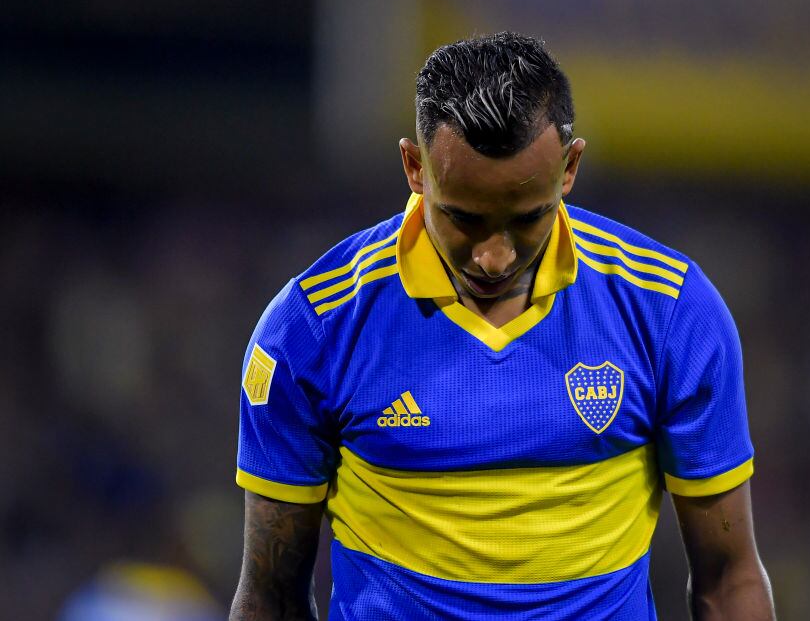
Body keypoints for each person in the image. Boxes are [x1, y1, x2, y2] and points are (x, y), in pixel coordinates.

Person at [230, 32, 774, 620]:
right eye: (464, 219)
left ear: (570, 167)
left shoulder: (670, 312)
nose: (494, 258)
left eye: (527, 218)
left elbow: (728, 578)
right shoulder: (311, 330)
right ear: (415, 167)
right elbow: (271, 596)